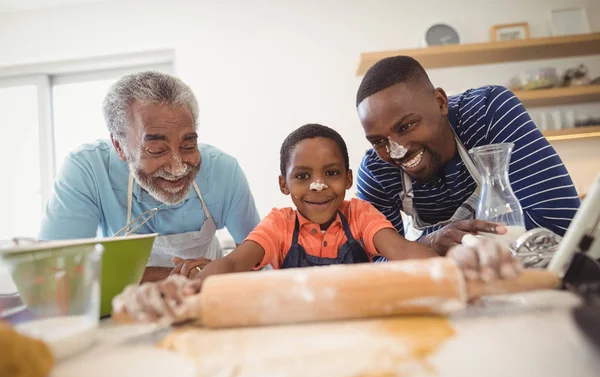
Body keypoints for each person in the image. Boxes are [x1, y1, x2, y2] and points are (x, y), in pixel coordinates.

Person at [112, 124, 520, 322]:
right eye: (303, 176)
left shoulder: (359, 215)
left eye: (331, 173)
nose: (318, 186)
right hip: (295, 326)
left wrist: (459, 265)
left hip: (363, 323)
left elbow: (403, 252)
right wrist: (184, 288)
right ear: (284, 184)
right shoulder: (278, 224)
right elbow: (234, 265)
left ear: (348, 178)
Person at [39, 71, 260, 282]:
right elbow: (54, 271)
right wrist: (176, 276)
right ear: (120, 146)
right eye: (156, 150)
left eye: (188, 145)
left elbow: (259, 262)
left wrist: (216, 273)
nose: (178, 168)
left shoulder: (224, 172)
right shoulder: (87, 170)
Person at [355, 56, 580, 256]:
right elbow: (370, 265)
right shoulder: (376, 171)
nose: (397, 150)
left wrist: (428, 248)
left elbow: (558, 220)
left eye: (406, 127)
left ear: (440, 103)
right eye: (378, 141)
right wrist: (430, 243)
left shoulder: (487, 112)